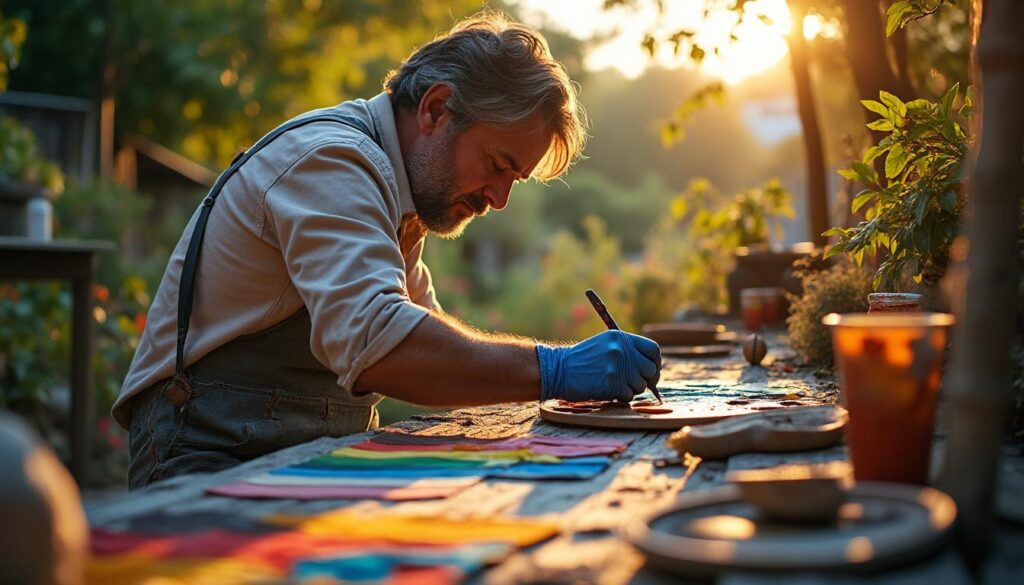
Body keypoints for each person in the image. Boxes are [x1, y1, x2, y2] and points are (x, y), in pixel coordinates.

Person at [115, 11, 661, 489]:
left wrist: (546, 375)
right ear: (437, 109)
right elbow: (383, 345)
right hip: (209, 457)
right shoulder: (332, 160)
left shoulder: (400, 193)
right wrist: (557, 367)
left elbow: (429, 344)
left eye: (514, 179)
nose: (498, 199)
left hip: (295, 455)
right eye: (497, 165)